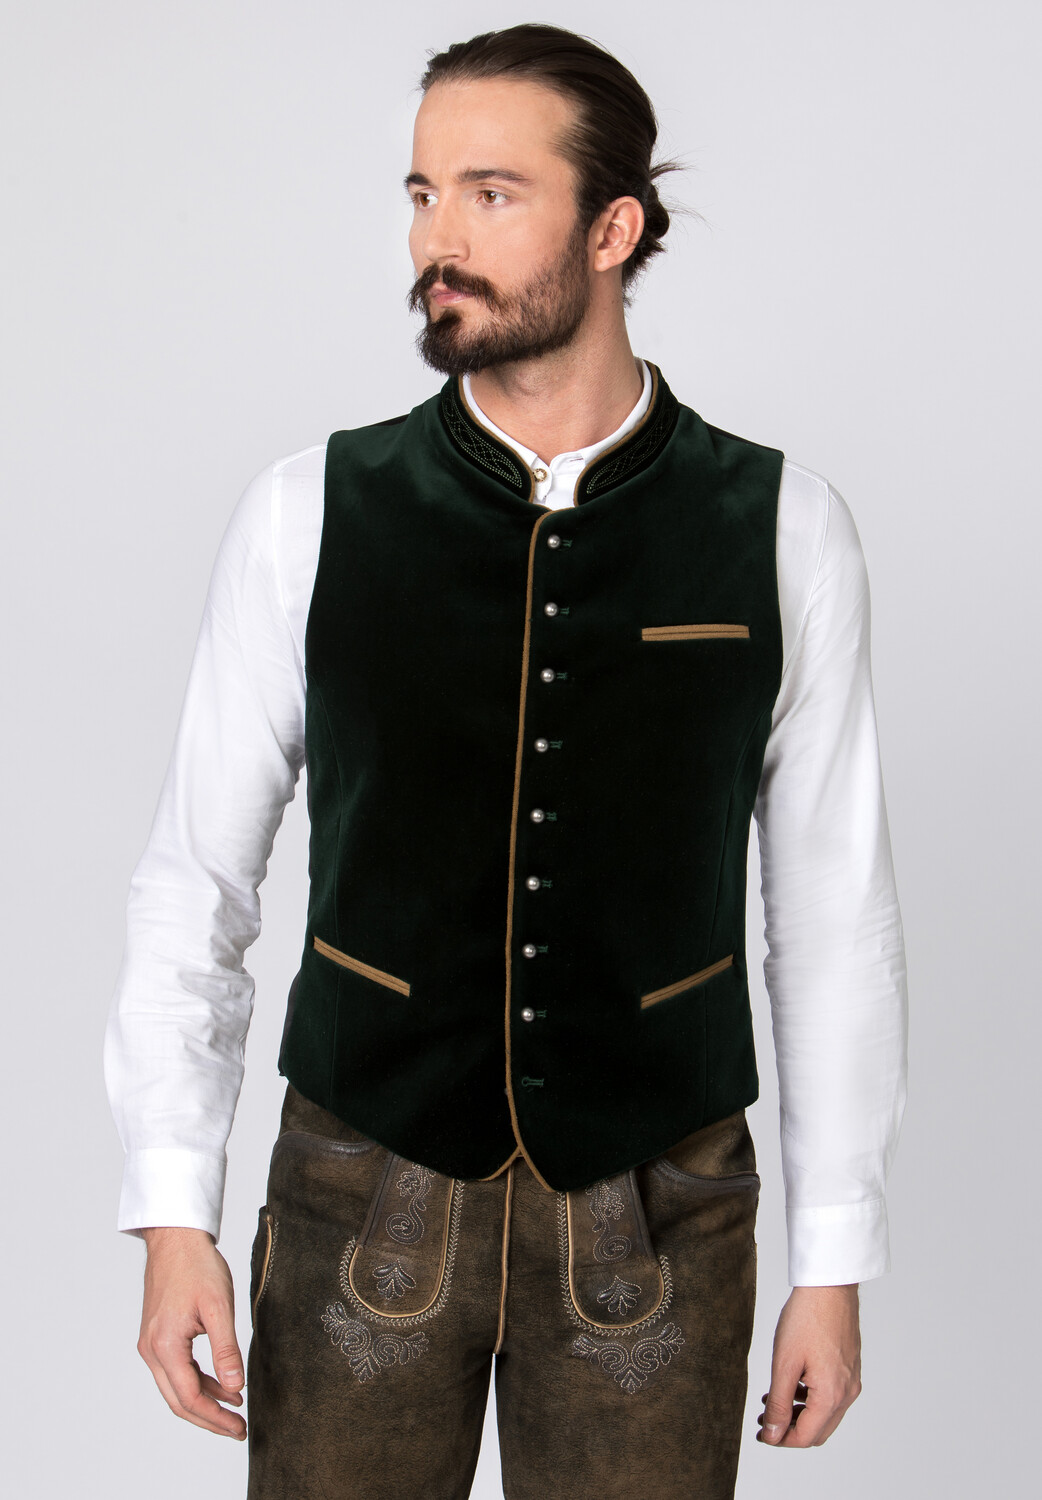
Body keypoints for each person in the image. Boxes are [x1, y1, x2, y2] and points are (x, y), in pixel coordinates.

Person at [105, 22, 907, 1499]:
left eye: (489, 194)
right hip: (359, 1186)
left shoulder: (786, 531)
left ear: (613, 230)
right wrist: (172, 1213)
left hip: (659, 1207)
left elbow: (832, 917)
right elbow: (195, 881)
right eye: (422, 194)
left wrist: (834, 1259)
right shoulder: (305, 515)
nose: (437, 240)